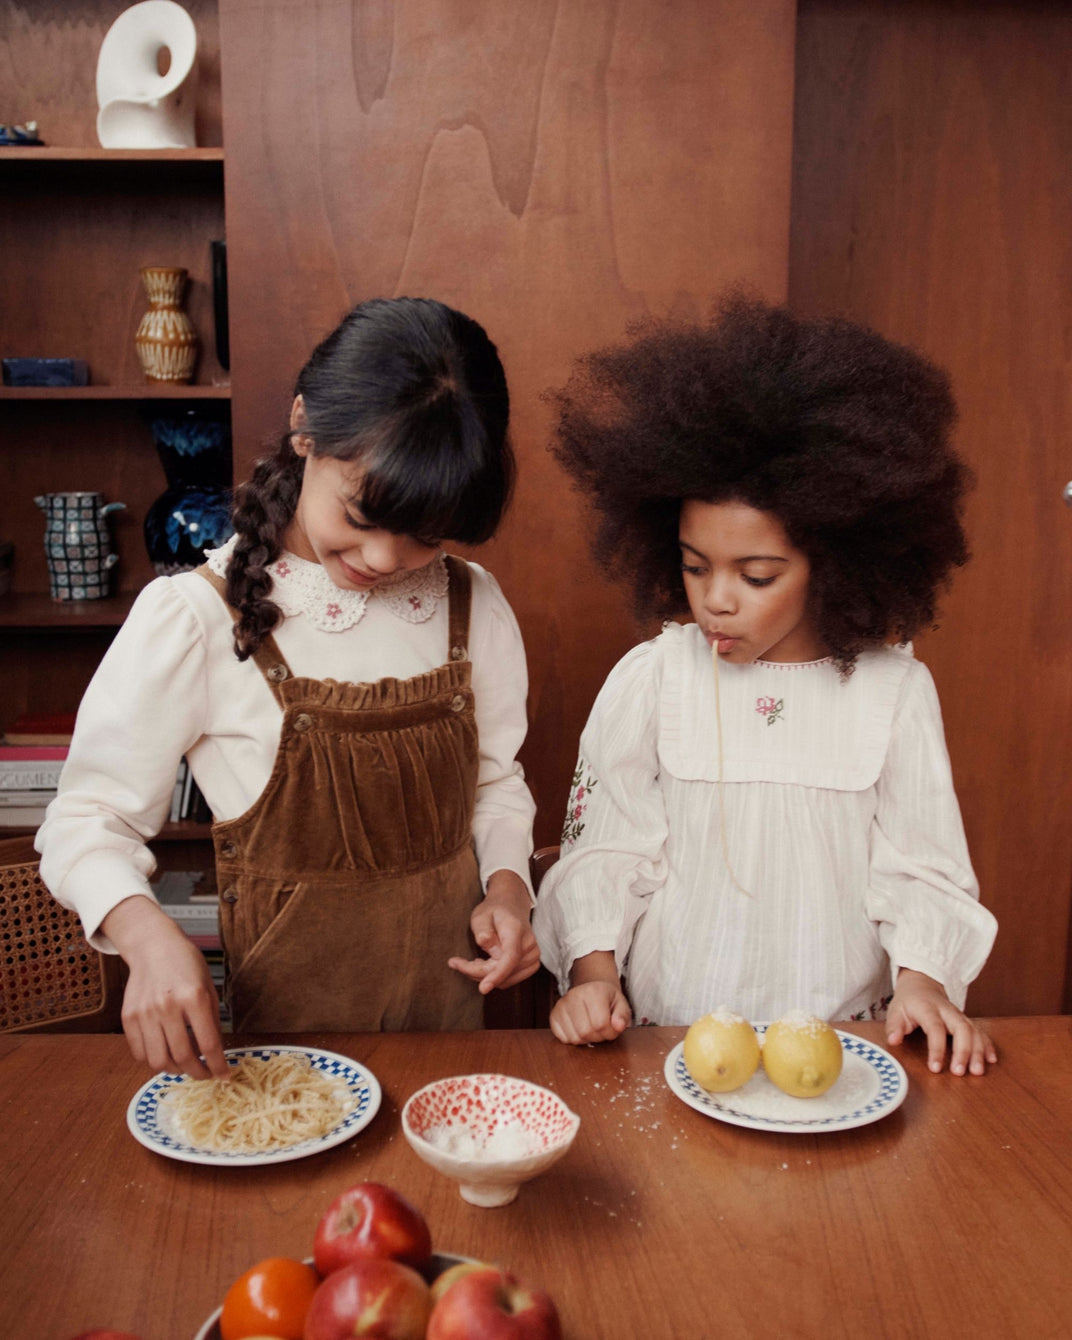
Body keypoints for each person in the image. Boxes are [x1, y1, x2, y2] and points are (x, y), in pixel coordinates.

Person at [38, 296, 539, 1079]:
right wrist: (144, 935)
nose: (381, 558)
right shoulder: (196, 618)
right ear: (305, 426)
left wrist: (509, 889)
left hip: (455, 1038)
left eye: (422, 536)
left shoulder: (473, 604)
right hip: (289, 1068)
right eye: (364, 513)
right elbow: (84, 821)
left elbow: (496, 783)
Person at [533, 295, 998, 1076]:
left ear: (838, 562)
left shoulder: (894, 693)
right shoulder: (656, 678)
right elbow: (605, 850)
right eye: (692, 564)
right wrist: (591, 976)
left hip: (840, 1049)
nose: (716, 597)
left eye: (756, 575)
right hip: (665, 1036)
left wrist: (923, 984)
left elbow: (921, 868)